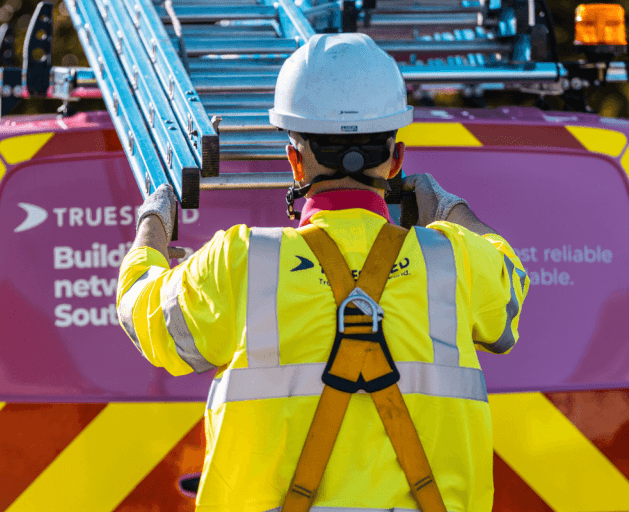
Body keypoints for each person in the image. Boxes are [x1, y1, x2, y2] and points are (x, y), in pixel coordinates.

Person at [117, 33, 528, 512]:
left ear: (294, 162)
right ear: (396, 161)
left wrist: (152, 224)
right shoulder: (452, 259)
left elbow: (141, 313)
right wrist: (448, 208)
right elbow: (510, 285)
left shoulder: (239, 259)